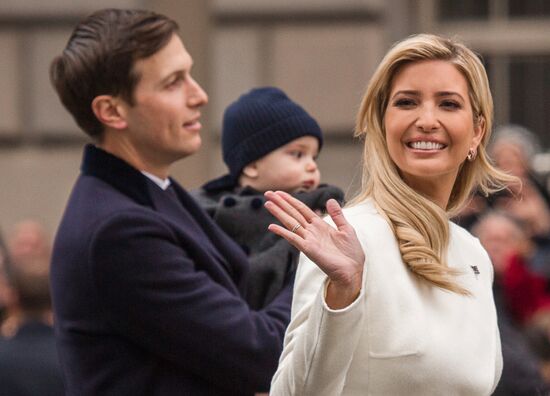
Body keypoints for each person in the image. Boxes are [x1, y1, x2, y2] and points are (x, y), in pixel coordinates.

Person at [48, 8, 292, 395]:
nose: (199, 95)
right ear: (111, 111)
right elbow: (264, 356)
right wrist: (314, 263)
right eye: (173, 82)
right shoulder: (119, 231)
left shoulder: (147, 192)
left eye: (189, 74)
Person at [262, 33, 516, 395]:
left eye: (448, 104)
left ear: (477, 132)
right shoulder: (351, 238)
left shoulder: (473, 253)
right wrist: (342, 292)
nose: (427, 120)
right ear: (382, 123)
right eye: (407, 102)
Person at [192, 87, 344, 309]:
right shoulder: (203, 214)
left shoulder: (323, 212)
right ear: (252, 165)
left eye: (314, 156)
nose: (312, 166)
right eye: (297, 154)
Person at [472, 211, 550, 395]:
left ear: (524, 246)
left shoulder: (538, 284)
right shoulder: (471, 293)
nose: (496, 247)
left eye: (506, 240)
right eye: (490, 239)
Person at [0, 220, 64, 396]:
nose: (27, 253)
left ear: (13, 296)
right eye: (21, 246)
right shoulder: (73, 357)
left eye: (33, 246)